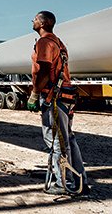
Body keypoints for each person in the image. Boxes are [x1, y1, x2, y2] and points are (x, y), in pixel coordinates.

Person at [27, 11, 90, 196]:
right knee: (68, 139)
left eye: (36, 18)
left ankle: (63, 183)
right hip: (65, 97)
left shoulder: (44, 42)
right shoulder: (58, 42)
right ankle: (80, 181)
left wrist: (35, 93)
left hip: (53, 97)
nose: (33, 20)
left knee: (56, 141)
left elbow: (44, 70)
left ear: (44, 23)